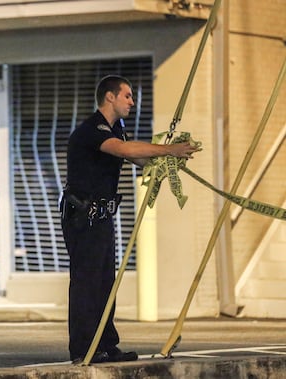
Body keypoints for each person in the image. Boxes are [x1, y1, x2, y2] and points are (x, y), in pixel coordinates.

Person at [61, 75, 200, 364]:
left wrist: (168, 160)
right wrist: (168, 149)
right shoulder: (94, 130)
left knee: (104, 283)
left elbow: (137, 159)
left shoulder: (116, 130)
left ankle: (106, 344)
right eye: (127, 96)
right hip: (83, 217)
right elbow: (124, 151)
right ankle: (84, 349)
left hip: (100, 217)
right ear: (110, 97)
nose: (132, 102)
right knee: (87, 283)